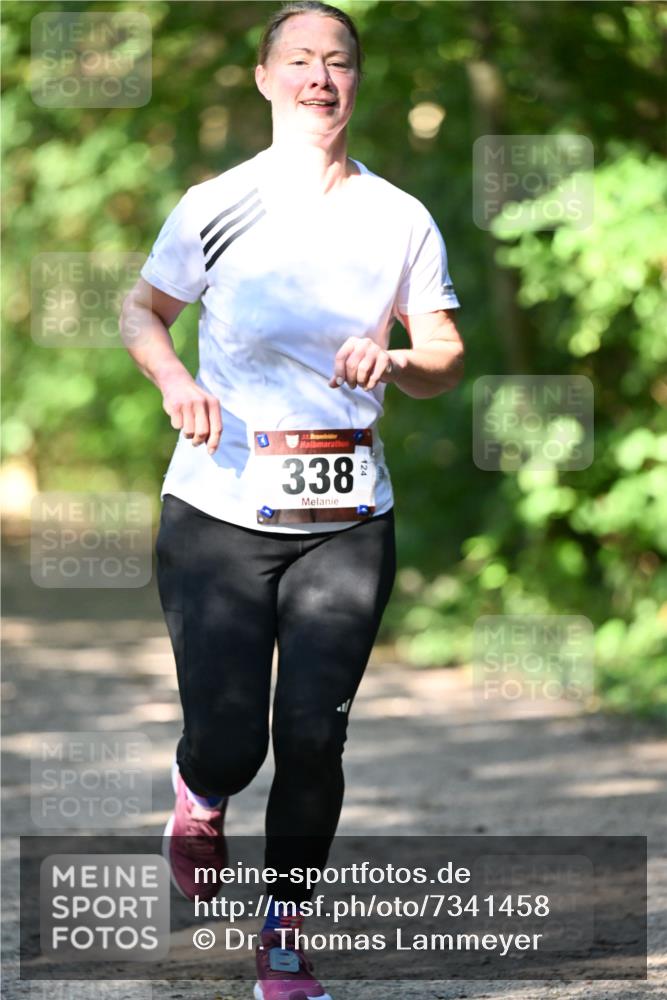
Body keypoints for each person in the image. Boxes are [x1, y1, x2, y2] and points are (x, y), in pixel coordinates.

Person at [121, 2, 463, 997]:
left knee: (314, 732)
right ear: (264, 78)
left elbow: (444, 354)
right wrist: (175, 381)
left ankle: (282, 928)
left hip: (347, 517)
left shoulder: (398, 216)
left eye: (340, 62)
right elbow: (141, 308)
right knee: (232, 738)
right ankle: (199, 788)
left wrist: (398, 358)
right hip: (219, 509)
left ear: (357, 82)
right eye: (301, 61)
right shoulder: (215, 204)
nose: (322, 77)